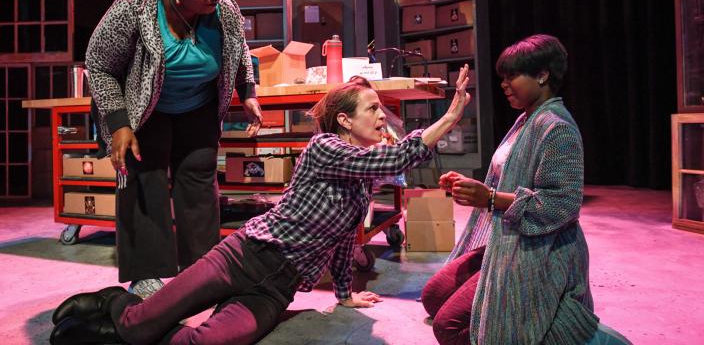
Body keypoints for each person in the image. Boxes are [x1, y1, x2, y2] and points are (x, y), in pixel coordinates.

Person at [50, 68, 472, 345]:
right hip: (244, 256)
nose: (383, 117)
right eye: (373, 109)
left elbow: (344, 244)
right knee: (140, 325)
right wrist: (449, 117)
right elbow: (398, 158)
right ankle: (114, 305)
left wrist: (344, 295)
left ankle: (129, 328)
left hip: (276, 287)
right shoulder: (324, 148)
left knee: (206, 344)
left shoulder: (361, 183)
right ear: (344, 120)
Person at [85, 0, 263, 298]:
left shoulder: (224, 8)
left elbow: (239, 50)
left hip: (198, 105)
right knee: (145, 178)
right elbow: (98, 63)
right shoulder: (135, 5)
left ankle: (203, 271)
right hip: (146, 109)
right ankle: (147, 274)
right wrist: (118, 123)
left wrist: (248, 92)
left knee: (198, 181)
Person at [422, 34, 629, 345]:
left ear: (542, 75)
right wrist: (466, 187)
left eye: (512, 76)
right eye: (503, 77)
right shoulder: (526, 119)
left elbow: (561, 205)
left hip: (538, 249)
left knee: (448, 326)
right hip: (508, 240)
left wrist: (490, 199)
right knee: (433, 295)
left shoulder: (557, 127)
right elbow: (504, 177)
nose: (504, 84)